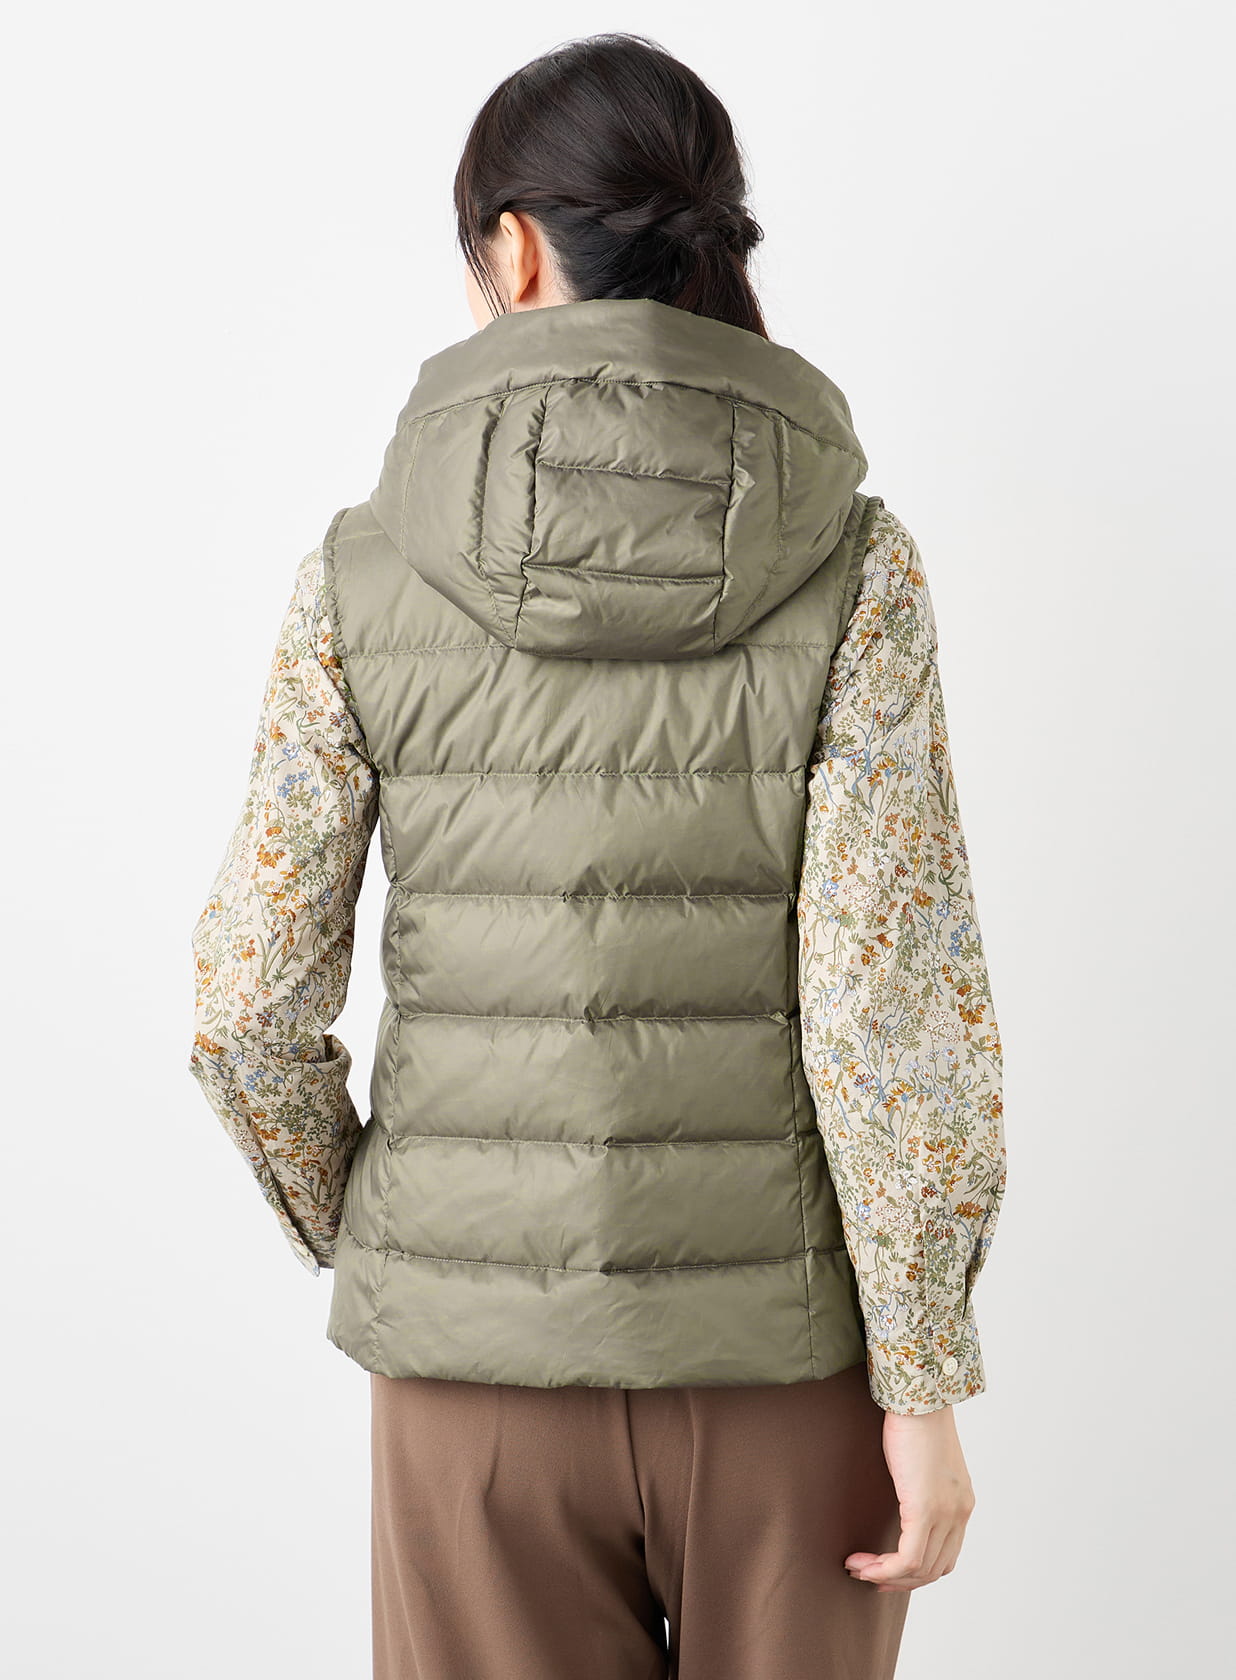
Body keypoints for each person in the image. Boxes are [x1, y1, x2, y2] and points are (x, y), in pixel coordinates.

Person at [188, 31, 1007, 1680]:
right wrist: (922, 1378)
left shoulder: (359, 572)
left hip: (470, 1393)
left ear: (513, 249)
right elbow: (891, 1014)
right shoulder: (856, 564)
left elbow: (246, 1004)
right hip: (788, 1374)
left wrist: (402, 1230)